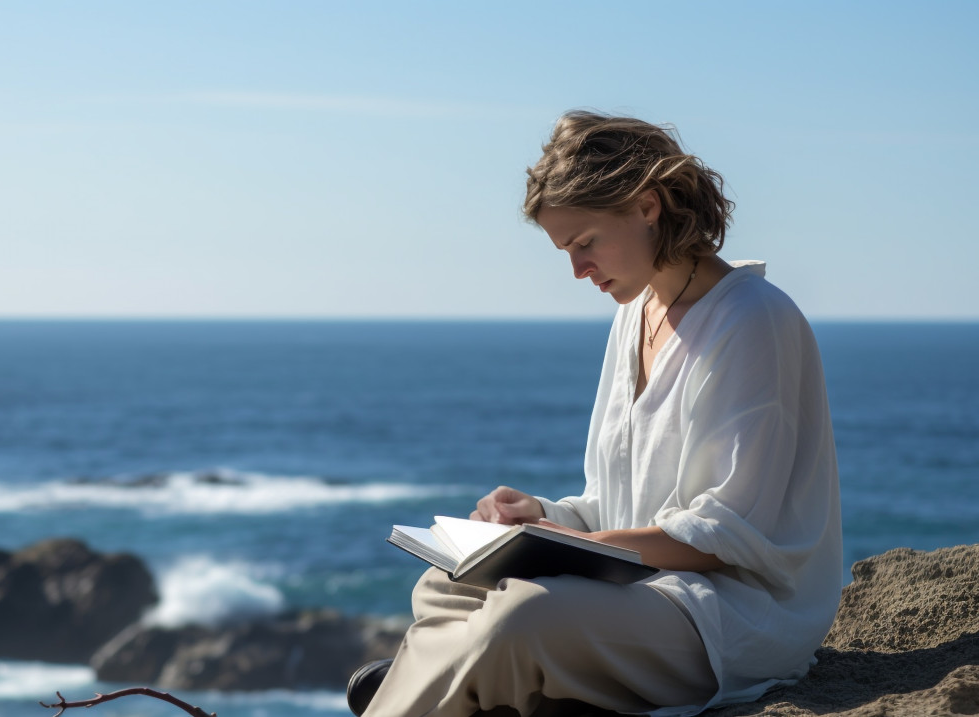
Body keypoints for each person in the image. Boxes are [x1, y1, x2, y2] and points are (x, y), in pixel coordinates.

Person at [348, 111, 843, 717]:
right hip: (643, 588)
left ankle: (432, 692)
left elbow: (726, 535)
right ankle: (465, 689)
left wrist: (572, 546)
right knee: (446, 585)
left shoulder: (754, 321)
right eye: (565, 250)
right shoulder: (635, 316)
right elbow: (621, 504)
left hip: (729, 616)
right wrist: (545, 518)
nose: (578, 270)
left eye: (585, 243)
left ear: (647, 205)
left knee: (524, 616)